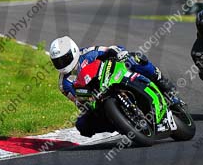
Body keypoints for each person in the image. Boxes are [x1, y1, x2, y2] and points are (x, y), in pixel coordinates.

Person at [49, 36, 179, 137]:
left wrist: (119, 53)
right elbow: (78, 102)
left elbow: (111, 49)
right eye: (58, 61)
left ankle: (160, 80)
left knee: (135, 58)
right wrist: (85, 102)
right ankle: (121, 124)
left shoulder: (88, 52)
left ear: (73, 51)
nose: (62, 64)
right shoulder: (63, 84)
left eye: (64, 59)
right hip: (97, 97)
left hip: (114, 75)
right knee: (82, 125)